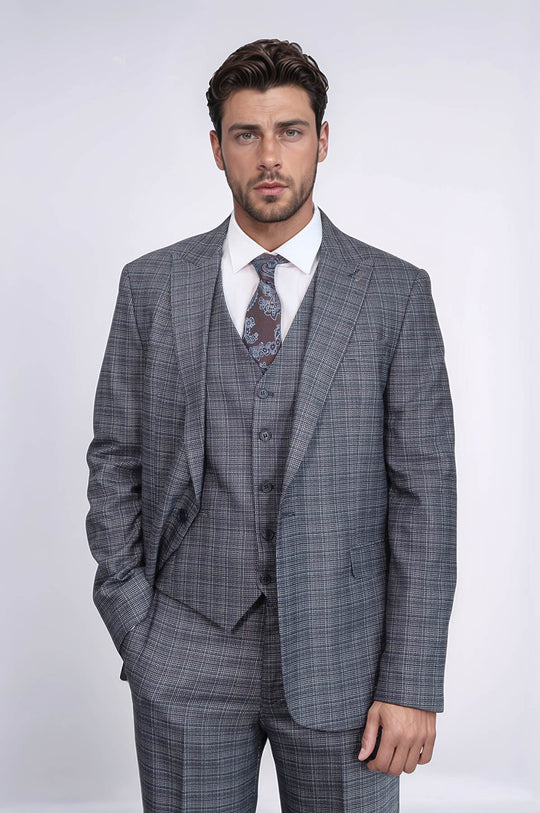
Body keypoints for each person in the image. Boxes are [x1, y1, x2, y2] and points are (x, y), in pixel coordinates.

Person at [86, 38, 457, 813]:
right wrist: (135, 624)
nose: (269, 157)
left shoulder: (394, 294)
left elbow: (425, 497)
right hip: (183, 648)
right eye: (246, 134)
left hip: (347, 661)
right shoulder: (151, 286)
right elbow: (116, 459)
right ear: (216, 148)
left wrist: (411, 679)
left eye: (290, 131)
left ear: (322, 140)